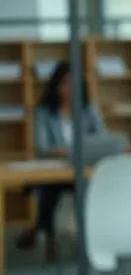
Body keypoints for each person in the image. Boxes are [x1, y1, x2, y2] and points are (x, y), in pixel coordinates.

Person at [16, 60, 104, 261]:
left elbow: (101, 137)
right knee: (51, 188)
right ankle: (49, 237)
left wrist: (83, 151)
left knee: (82, 189)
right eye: (65, 82)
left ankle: (40, 230)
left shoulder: (88, 109)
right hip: (57, 171)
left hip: (83, 172)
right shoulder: (44, 112)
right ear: (55, 85)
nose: (69, 88)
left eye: (74, 83)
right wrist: (71, 151)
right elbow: (43, 147)